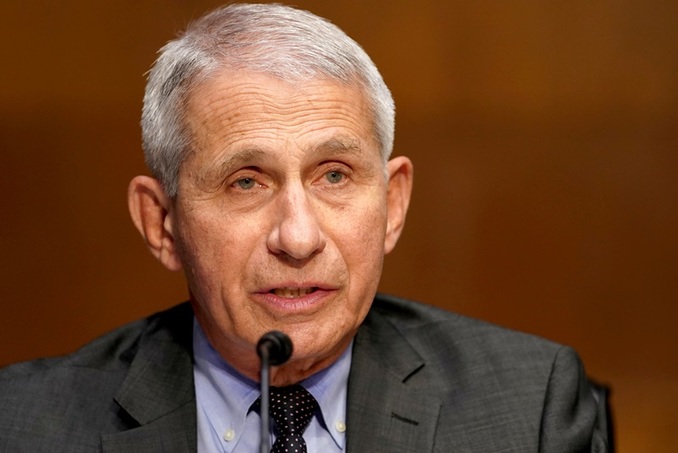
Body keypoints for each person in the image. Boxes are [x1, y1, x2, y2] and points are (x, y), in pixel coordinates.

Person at [0, 3, 607, 452]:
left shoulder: (529, 409)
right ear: (162, 224)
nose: (298, 238)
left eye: (334, 175)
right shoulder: (24, 426)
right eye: (246, 182)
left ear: (393, 204)